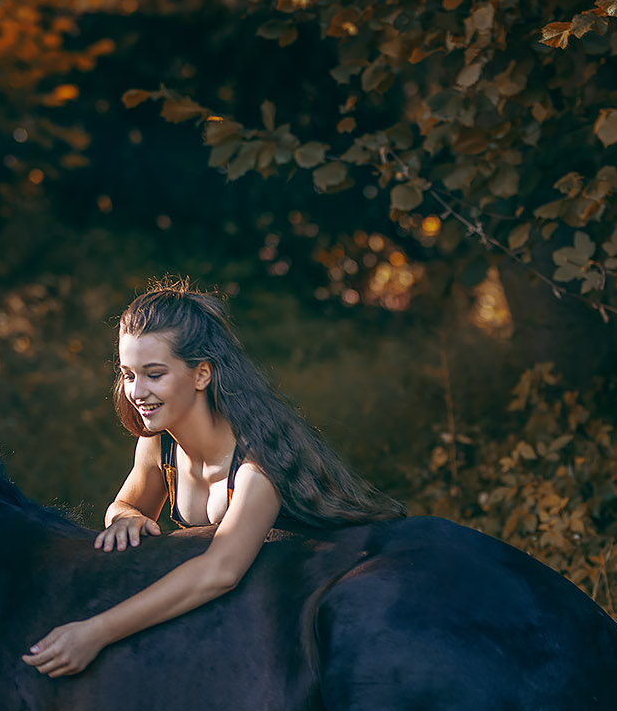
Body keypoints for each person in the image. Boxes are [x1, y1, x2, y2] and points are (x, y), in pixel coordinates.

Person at [22, 282, 402, 677]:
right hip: (240, 623)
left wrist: (96, 632)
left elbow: (220, 571)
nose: (137, 392)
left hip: (304, 618)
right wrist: (124, 517)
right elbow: (126, 504)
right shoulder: (157, 447)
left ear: (201, 374)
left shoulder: (258, 465)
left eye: (154, 375)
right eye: (128, 374)